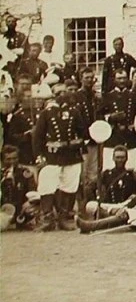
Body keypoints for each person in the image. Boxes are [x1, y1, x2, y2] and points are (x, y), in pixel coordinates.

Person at [32, 81, 88, 231]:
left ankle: (65, 217)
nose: (63, 96)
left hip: (71, 155)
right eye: (59, 93)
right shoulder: (46, 114)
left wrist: (76, 144)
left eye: (65, 93)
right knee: (47, 186)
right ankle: (48, 218)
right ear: (53, 95)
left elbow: (83, 132)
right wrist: (39, 155)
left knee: (70, 186)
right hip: (52, 156)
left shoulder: (75, 112)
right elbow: (38, 137)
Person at [1, 144, 39, 231]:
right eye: (8, 159)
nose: (12, 161)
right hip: (4, 209)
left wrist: (29, 202)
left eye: (15, 158)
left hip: (21, 208)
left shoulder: (25, 172)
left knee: (34, 206)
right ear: (3, 160)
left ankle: (23, 222)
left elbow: (33, 190)